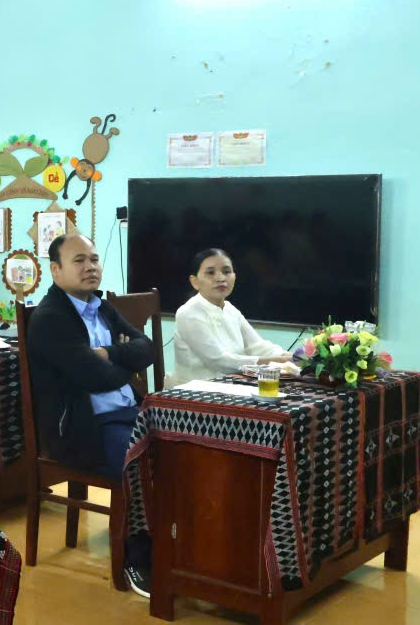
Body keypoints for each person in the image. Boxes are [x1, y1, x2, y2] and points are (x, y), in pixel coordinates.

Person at [25, 234, 153, 596]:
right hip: (82, 428)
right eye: (79, 260)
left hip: (128, 413)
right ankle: (137, 558)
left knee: (184, 444)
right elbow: (94, 377)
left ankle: (180, 547)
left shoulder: (101, 306)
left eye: (94, 259)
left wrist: (108, 354)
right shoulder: (51, 318)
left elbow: (148, 348)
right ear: (55, 270)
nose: (90, 267)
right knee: (140, 461)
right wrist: (124, 362)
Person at [173, 248, 292, 383]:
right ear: (194, 281)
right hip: (194, 390)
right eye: (210, 273)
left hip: (232, 385)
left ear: (234, 276)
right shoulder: (188, 313)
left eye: (226, 272)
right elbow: (220, 361)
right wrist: (278, 361)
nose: (221, 278)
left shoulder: (230, 309)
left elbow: (257, 346)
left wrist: (291, 357)